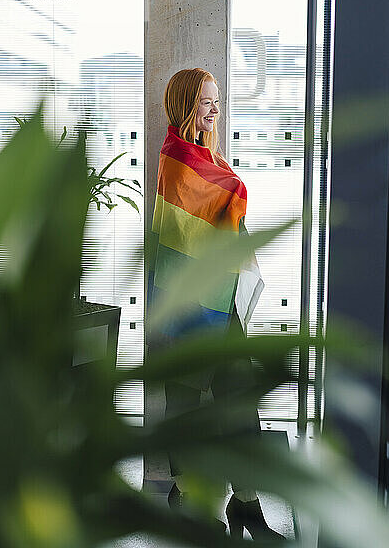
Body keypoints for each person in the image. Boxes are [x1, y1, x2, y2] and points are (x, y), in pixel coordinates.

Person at [148, 67, 285, 541]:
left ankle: (245, 502)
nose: (214, 109)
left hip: (223, 301)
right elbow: (182, 235)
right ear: (186, 105)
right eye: (206, 101)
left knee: (239, 402)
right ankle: (187, 499)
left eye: (218, 100)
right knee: (185, 403)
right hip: (184, 302)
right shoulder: (174, 158)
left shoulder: (210, 155)